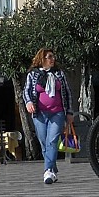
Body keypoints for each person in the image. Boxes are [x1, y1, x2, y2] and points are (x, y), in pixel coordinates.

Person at [22, 48, 74, 185]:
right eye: (49, 57)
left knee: (52, 141)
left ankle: (48, 170)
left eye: (53, 56)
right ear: (42, 59)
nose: (53, 59)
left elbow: (67, 93)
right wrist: (28, 102)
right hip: (39, 113)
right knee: (44, 142)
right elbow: (26, 91)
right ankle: (53, 169)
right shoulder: (33, 75)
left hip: (57, 112)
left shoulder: (59, 74)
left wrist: (69, 112)